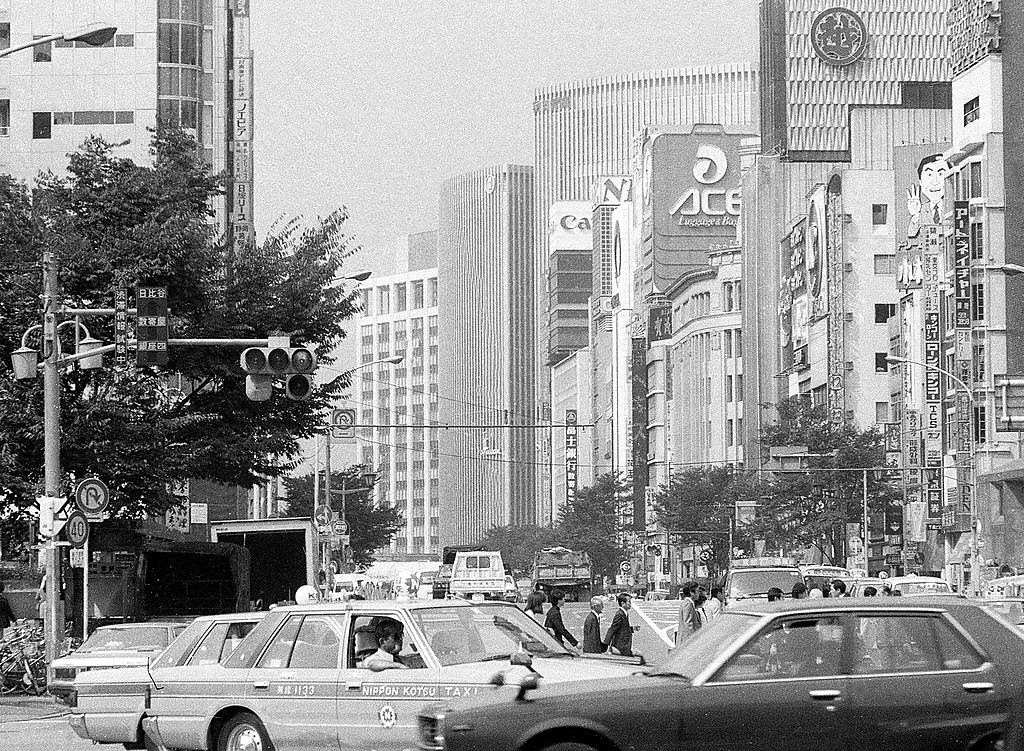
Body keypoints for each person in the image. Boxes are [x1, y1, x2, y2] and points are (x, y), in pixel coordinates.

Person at [604, 592, 636, 656]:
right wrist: (605, 645)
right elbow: (612, 629)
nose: (630, 604)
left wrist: (632, 628)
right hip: (620, 647)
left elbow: (623, 628)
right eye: (629, 602)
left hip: (624, 646)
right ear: (622, 603)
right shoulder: (620, 614)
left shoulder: (624, 613)